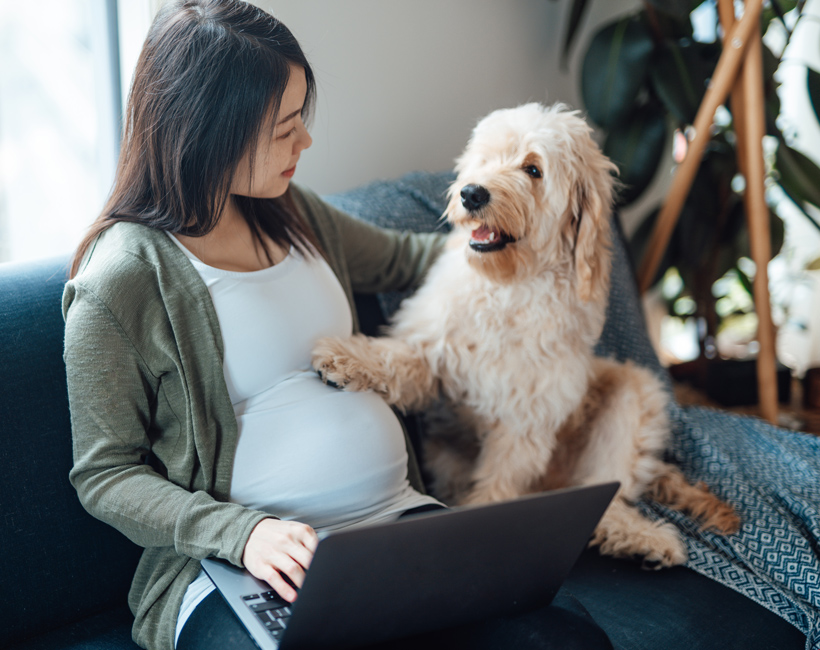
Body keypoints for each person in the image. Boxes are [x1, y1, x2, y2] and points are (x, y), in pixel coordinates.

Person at [62, 1, 613, 649]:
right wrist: (243, 534)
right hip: (243, 566)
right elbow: (105, 475)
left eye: (303, 117)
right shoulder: (120, 282)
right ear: (211, 132)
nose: (305, 141)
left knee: (565, 641)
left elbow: (419, 257)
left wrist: (548, 250)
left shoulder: (291, 213)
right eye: (285, 127)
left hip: (398, 523)